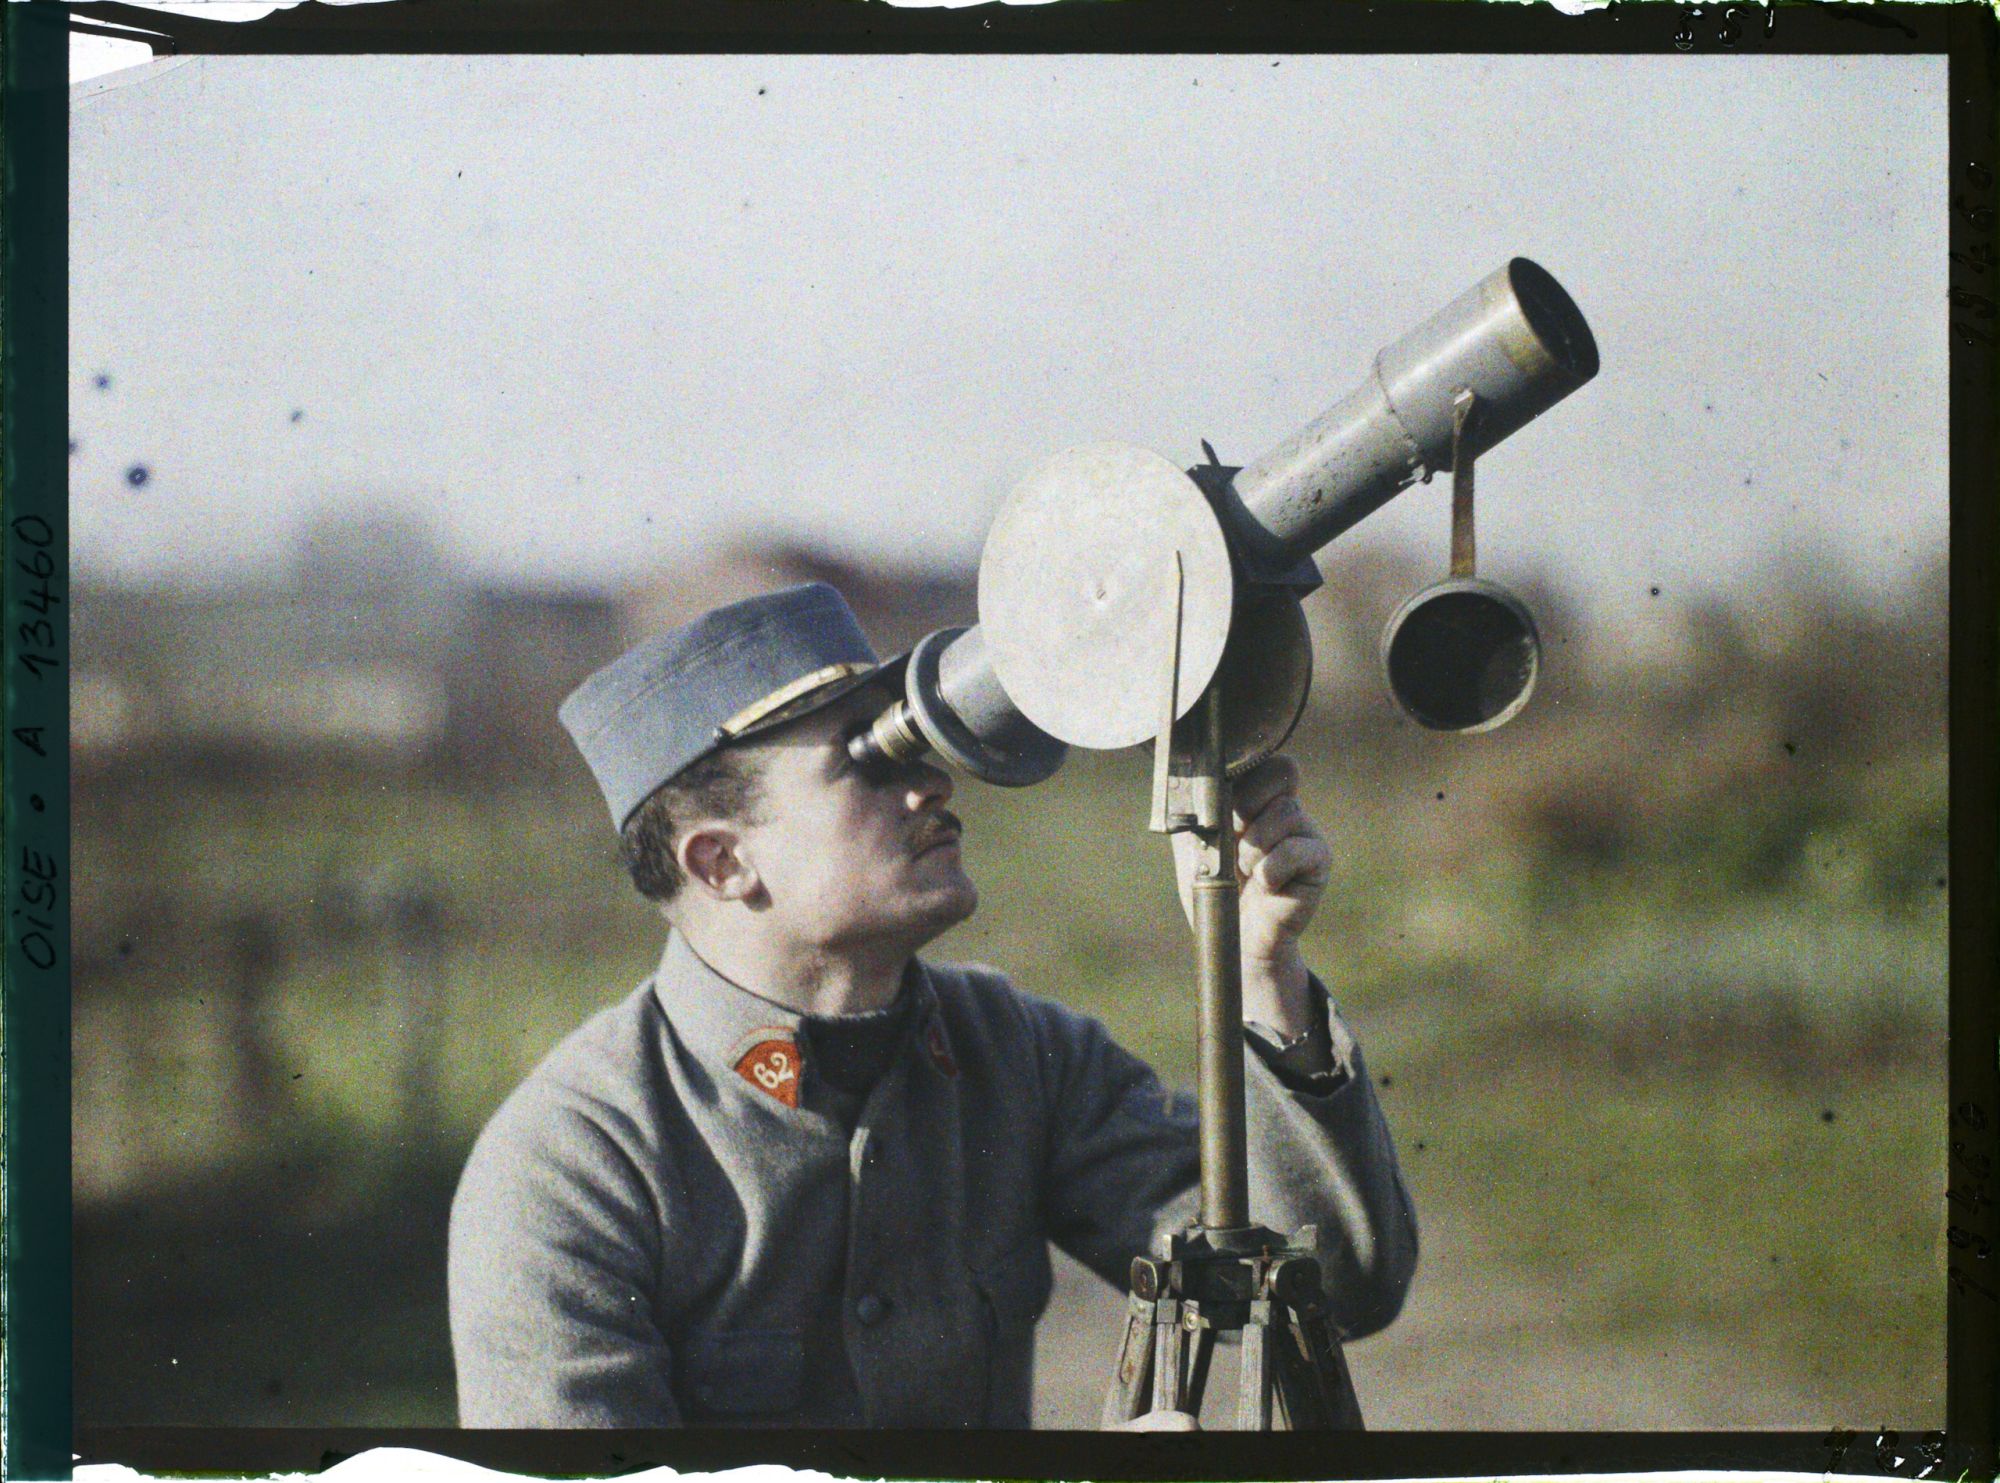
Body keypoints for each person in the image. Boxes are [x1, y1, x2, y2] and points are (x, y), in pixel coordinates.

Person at [447, 582, 1417, 1429]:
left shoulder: (1017, 1053)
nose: (932, 781)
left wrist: (1255, 969)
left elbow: (1328, 1290)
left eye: (913, 739)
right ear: (722, 860)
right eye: (869, 757)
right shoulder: (573, 1165)